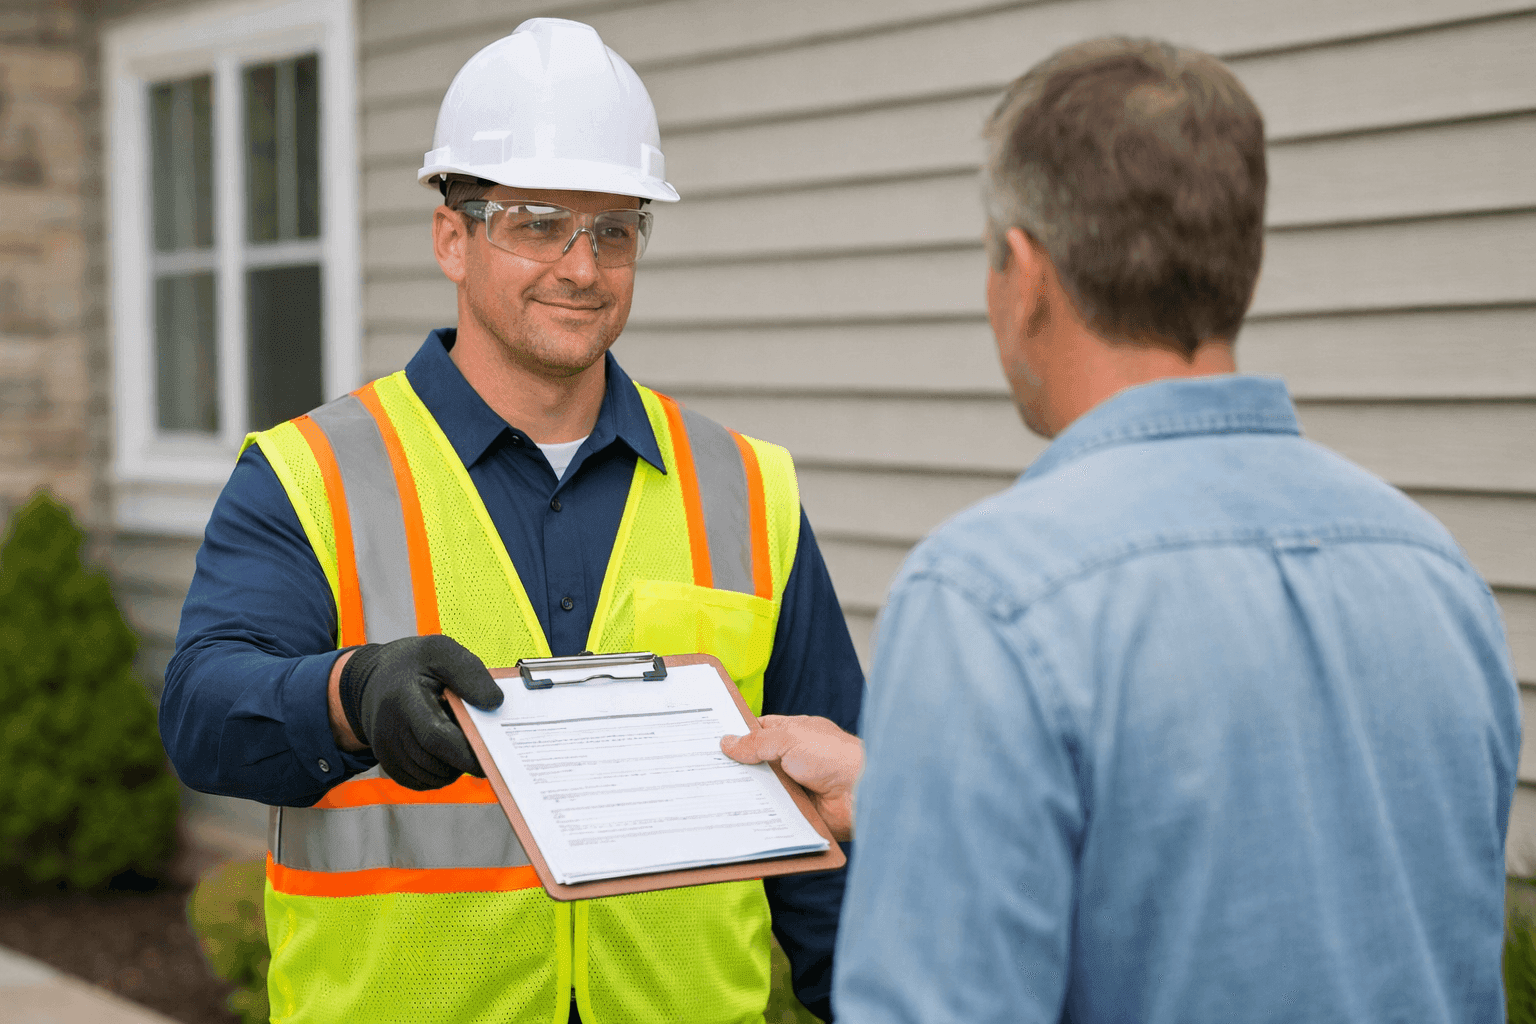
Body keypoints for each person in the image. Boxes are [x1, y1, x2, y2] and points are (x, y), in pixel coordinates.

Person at [723, 37, 1519, 1023]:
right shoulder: (1438, 577)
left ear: (1025, 273)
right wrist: (905, 799)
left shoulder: (988, 598)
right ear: (1243, 264)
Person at [159, 18, 860, 1024]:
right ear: (453, 234)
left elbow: (823, 833)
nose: (582, 266)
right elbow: (203, 713)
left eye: (613, 227)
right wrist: (352, 694)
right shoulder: (312, 475)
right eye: (537, 222)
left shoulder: (745, 487)